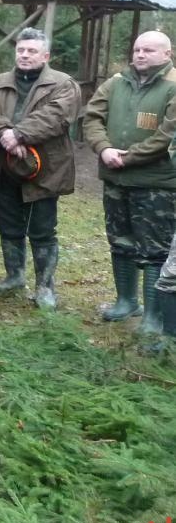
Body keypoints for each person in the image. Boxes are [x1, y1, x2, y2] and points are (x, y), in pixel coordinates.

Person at [0, 29, 79, 310]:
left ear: (45, 56)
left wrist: (19, 135)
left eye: (31, 51)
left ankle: (45, 287)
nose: (24, 55)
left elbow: (56, 116)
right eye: (20, 50)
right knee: (7, 223)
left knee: (42, 228)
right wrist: (4, 134)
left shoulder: (63, 84)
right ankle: (14, 276)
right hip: (1, 166)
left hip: (45, 169)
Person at [83, 30, 176, 334]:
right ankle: (126, 301)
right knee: (120, 242)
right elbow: (92, 117)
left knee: (155, 250)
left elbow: (167, 135)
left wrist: (129, 157)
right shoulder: (116, 82)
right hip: (115, 180)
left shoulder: (173, 85)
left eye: (148, 50)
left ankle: (154, 316)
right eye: (137, 49)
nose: (140, 55)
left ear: (167, 53)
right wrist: (104, 148)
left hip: (156, 184)